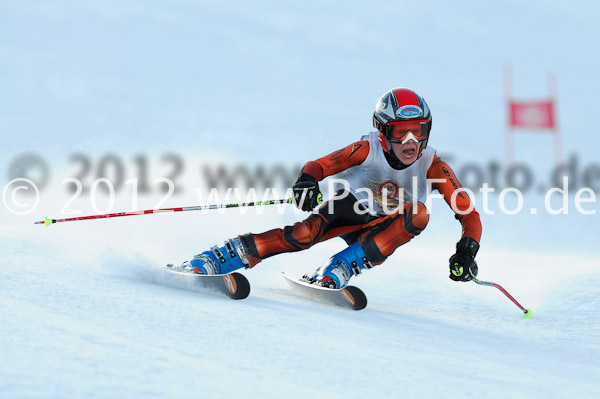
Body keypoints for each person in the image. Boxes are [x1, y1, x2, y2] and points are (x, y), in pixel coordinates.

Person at [175, 88, 482, 288]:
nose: (411, 143)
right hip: (350, 208)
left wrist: (467, 249)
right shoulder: (367, 148)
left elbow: (469, 215)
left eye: (418, 132)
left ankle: (341, 266)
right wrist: (307, 182)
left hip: (381, 230)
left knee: (420, 214)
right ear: (383, 131)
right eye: (401, 133)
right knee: (302, 235)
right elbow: (319, 165)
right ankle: (220, 256)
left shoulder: (433, 165)